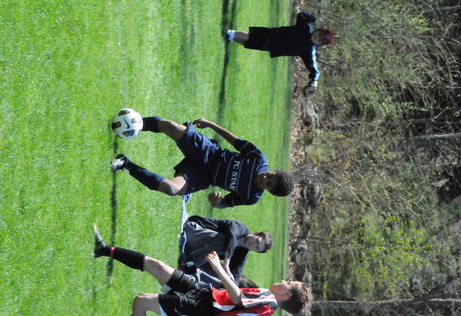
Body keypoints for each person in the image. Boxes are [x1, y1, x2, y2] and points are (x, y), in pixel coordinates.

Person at [93, 224, 312, 315]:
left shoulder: (269, 300)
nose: (284, 280)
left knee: (141, 301)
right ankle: (103, 249)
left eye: (288, 283)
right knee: (156, 266)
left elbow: (238, 297)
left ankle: (104, 250)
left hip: (201, 308)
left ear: (286, 294)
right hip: (205, 294)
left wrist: (218, 268)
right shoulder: (267, 306)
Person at [111, 116, 295, 207]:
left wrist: (216, 202)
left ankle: (126, 164)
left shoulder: (251, 196)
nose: (264, 178)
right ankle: (132, 123)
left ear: (269, 191)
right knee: (171, 127)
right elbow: (235, 141)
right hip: (209, 152)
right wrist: (211, 124)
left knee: (171, 189)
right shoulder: (259, 159)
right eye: (270, 175)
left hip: (202, 177)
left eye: (268, 183)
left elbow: (225, 203)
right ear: (274, 170)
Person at [224, 11, 333, 96]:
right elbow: (301, 15)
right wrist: (314, 19)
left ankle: (231, 38)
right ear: (318, 30)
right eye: (319, 34)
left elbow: (313, 67)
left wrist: (314, 80)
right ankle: (229, 33)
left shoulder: (308, 51)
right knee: (250, 37)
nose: (317, 38)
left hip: (274, 47)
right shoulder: (305, 27)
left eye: (320, 40)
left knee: (249, 43)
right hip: (272, 34)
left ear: (319, 44)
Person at [179, 215, 273, 288]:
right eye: (256, 241)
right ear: (256, 233)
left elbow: (236, 276)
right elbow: (232, 237)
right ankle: (189, 265)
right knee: (225, 243)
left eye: (256, 247)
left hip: (195, 250)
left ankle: (194, 276)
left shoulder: (242, 254)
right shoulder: (241, 228)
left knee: (222, 273)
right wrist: (226, 264)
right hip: (192, 230)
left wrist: (229, 278)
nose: (253, 244)